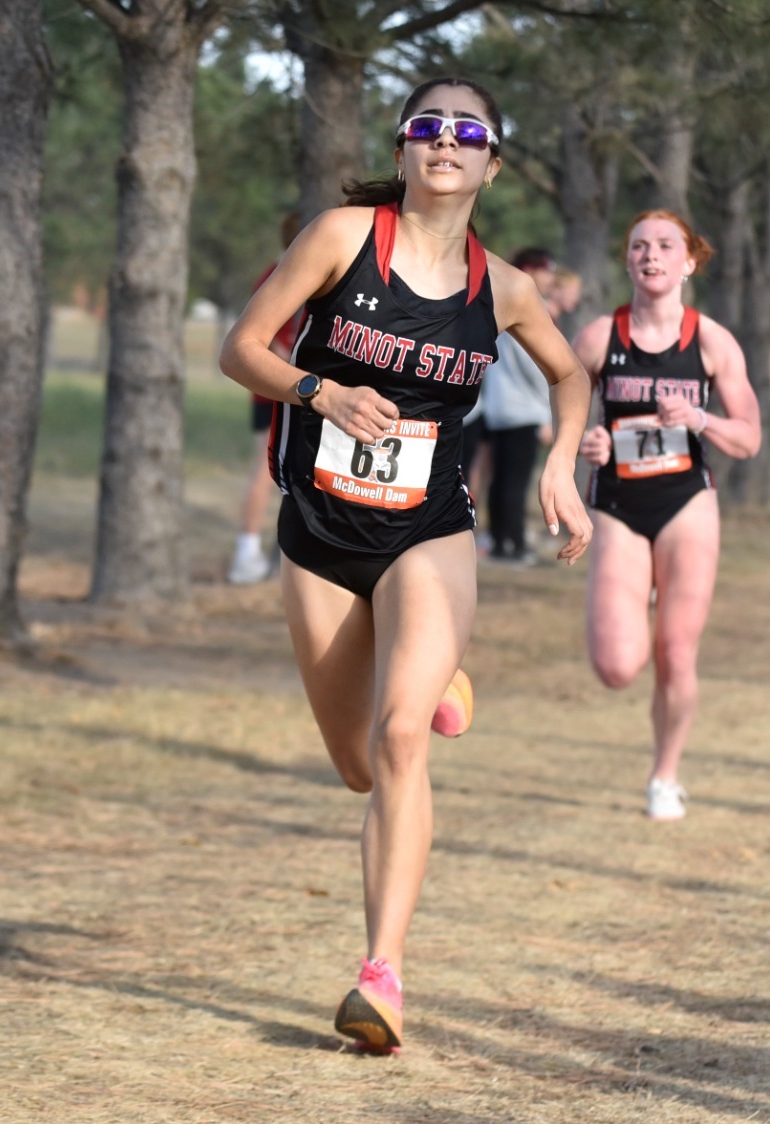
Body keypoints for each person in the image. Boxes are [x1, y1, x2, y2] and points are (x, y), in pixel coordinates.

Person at [218, 76, 593, 1055]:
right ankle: (434, 678)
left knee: (397, 742)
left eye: (469, 131)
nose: (446, 141)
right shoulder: (341, 238)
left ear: (492, 164)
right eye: (428, 126)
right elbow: (240, 348)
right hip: (320, 531)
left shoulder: (503, 288)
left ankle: (380, 975)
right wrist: (320, 391)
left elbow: (570, 374)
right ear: (401, 151)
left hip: (427, 529)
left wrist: (560, 461)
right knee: (356, 765)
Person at [573, 210, 760, 821]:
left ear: (688, 263)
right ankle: (637, 597)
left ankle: (665, 775)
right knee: (617, 667)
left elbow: (750, 437)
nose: (650, 255)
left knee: (676, 653)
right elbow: (563, 415)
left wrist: (701, 418)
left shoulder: (711, 341)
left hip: (686, 504)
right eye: (638, 246)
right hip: (619, 506)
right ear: (627, 261)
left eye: (664, 246)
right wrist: (584, 441)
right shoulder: (599, 337)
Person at [230, 213, 306, 584]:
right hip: (276, 391)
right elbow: (266, 338)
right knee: (264, 469)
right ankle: (245, 553)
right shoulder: (278, 274)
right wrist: (293, 375)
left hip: (292, 391)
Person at [479, 247, 565, 563]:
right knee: (515, 482)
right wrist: (549, 410)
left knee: (501, 480)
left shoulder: (495, 299)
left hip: (498, 408)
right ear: (529, 269)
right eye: (547, 271)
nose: (551, 279)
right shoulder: (529, 305)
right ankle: (514, 545)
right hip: (524, 410)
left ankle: (499, 541)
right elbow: (538, 365)